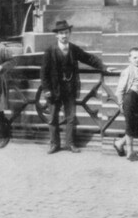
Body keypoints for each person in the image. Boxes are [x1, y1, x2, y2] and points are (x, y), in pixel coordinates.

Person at [40, 19, 111, 154]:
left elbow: (88, 58)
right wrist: (46, 89)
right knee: (53, 117)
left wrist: (104, 67)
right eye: (61, 33)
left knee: (71, 118)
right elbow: (43, 73)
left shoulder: (73, 49)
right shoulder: (50, 51)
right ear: (57, 35)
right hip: (54, 90)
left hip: (69, 89)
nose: (64, 36)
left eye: (66, 33)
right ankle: (54, 144)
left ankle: (70, 144)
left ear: (69, 33)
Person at [113, 47, 138, 162]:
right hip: (130, 98)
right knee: (130, 126)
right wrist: (120, 104)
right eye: (134, 57)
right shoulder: (127, 71)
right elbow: (119, 90)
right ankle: (130, 152)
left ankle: (119, 143)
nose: (137, 59)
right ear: (129, 59)